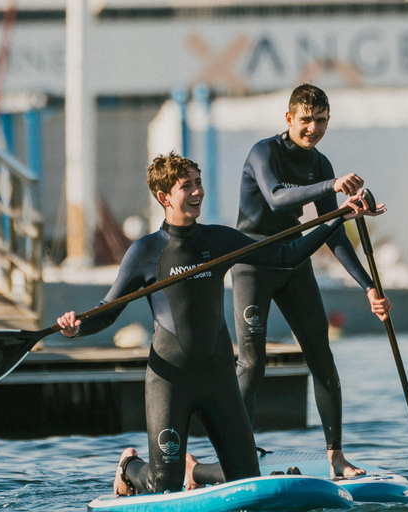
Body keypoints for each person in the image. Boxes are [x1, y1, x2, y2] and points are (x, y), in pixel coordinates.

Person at [57, 152, 380, 496]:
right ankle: (128, 468)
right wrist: (79, 327)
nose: (197, 192)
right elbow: (109, 309)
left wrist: (339, 216)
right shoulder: (146, 251)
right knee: (162, 486)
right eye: (187, 186)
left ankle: (194, 470)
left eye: (198, 183)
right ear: (164, 197)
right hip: (171, 382)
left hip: (218, 378)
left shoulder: (218, 240)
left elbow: (285, 258)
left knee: (247, 479)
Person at [233, 83, 391, 478]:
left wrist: (369, 286)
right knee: (252, 365)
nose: (313, 129)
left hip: (292, 259)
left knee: (321, 354)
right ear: (289, 119)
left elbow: (332, 231)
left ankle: (336, 457)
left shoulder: (320, 164)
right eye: (306, 120)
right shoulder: (263, 152)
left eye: (321, 121)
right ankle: (235, 451)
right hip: (252, 262)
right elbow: (276, 198)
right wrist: (332, 189)